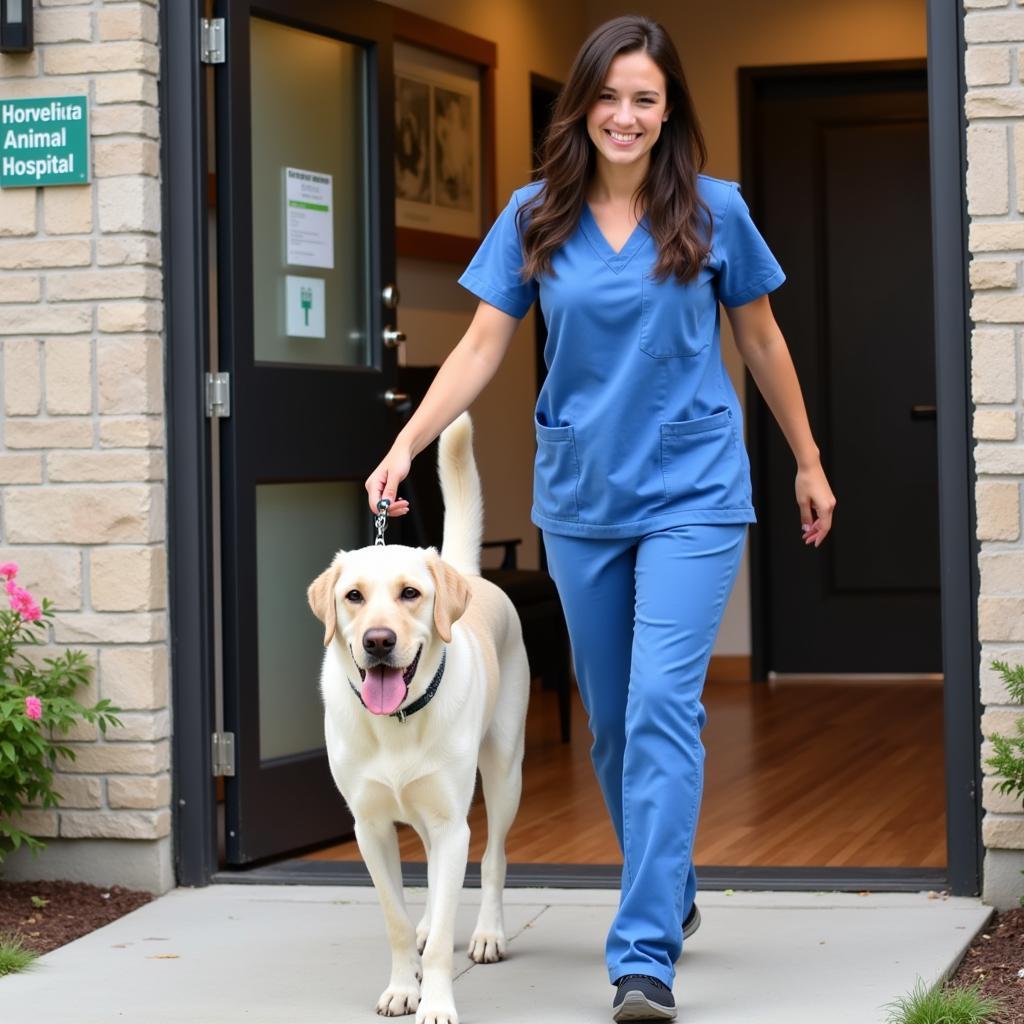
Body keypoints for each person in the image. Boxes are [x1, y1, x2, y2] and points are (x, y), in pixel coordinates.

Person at [366, 14, 836, 1023]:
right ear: (580, 106)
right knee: (616, 729)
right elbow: (483, 347)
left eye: (646, 99)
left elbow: (760, 340)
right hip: (582, 500)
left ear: (669, 113)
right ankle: (666, 885)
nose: (626, 116)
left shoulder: (715, 213)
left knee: (665, 704)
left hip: (693, 494)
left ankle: (642, 954)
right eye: (609, 96)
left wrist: (805, 458)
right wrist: (408, 442)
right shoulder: (535, 216)